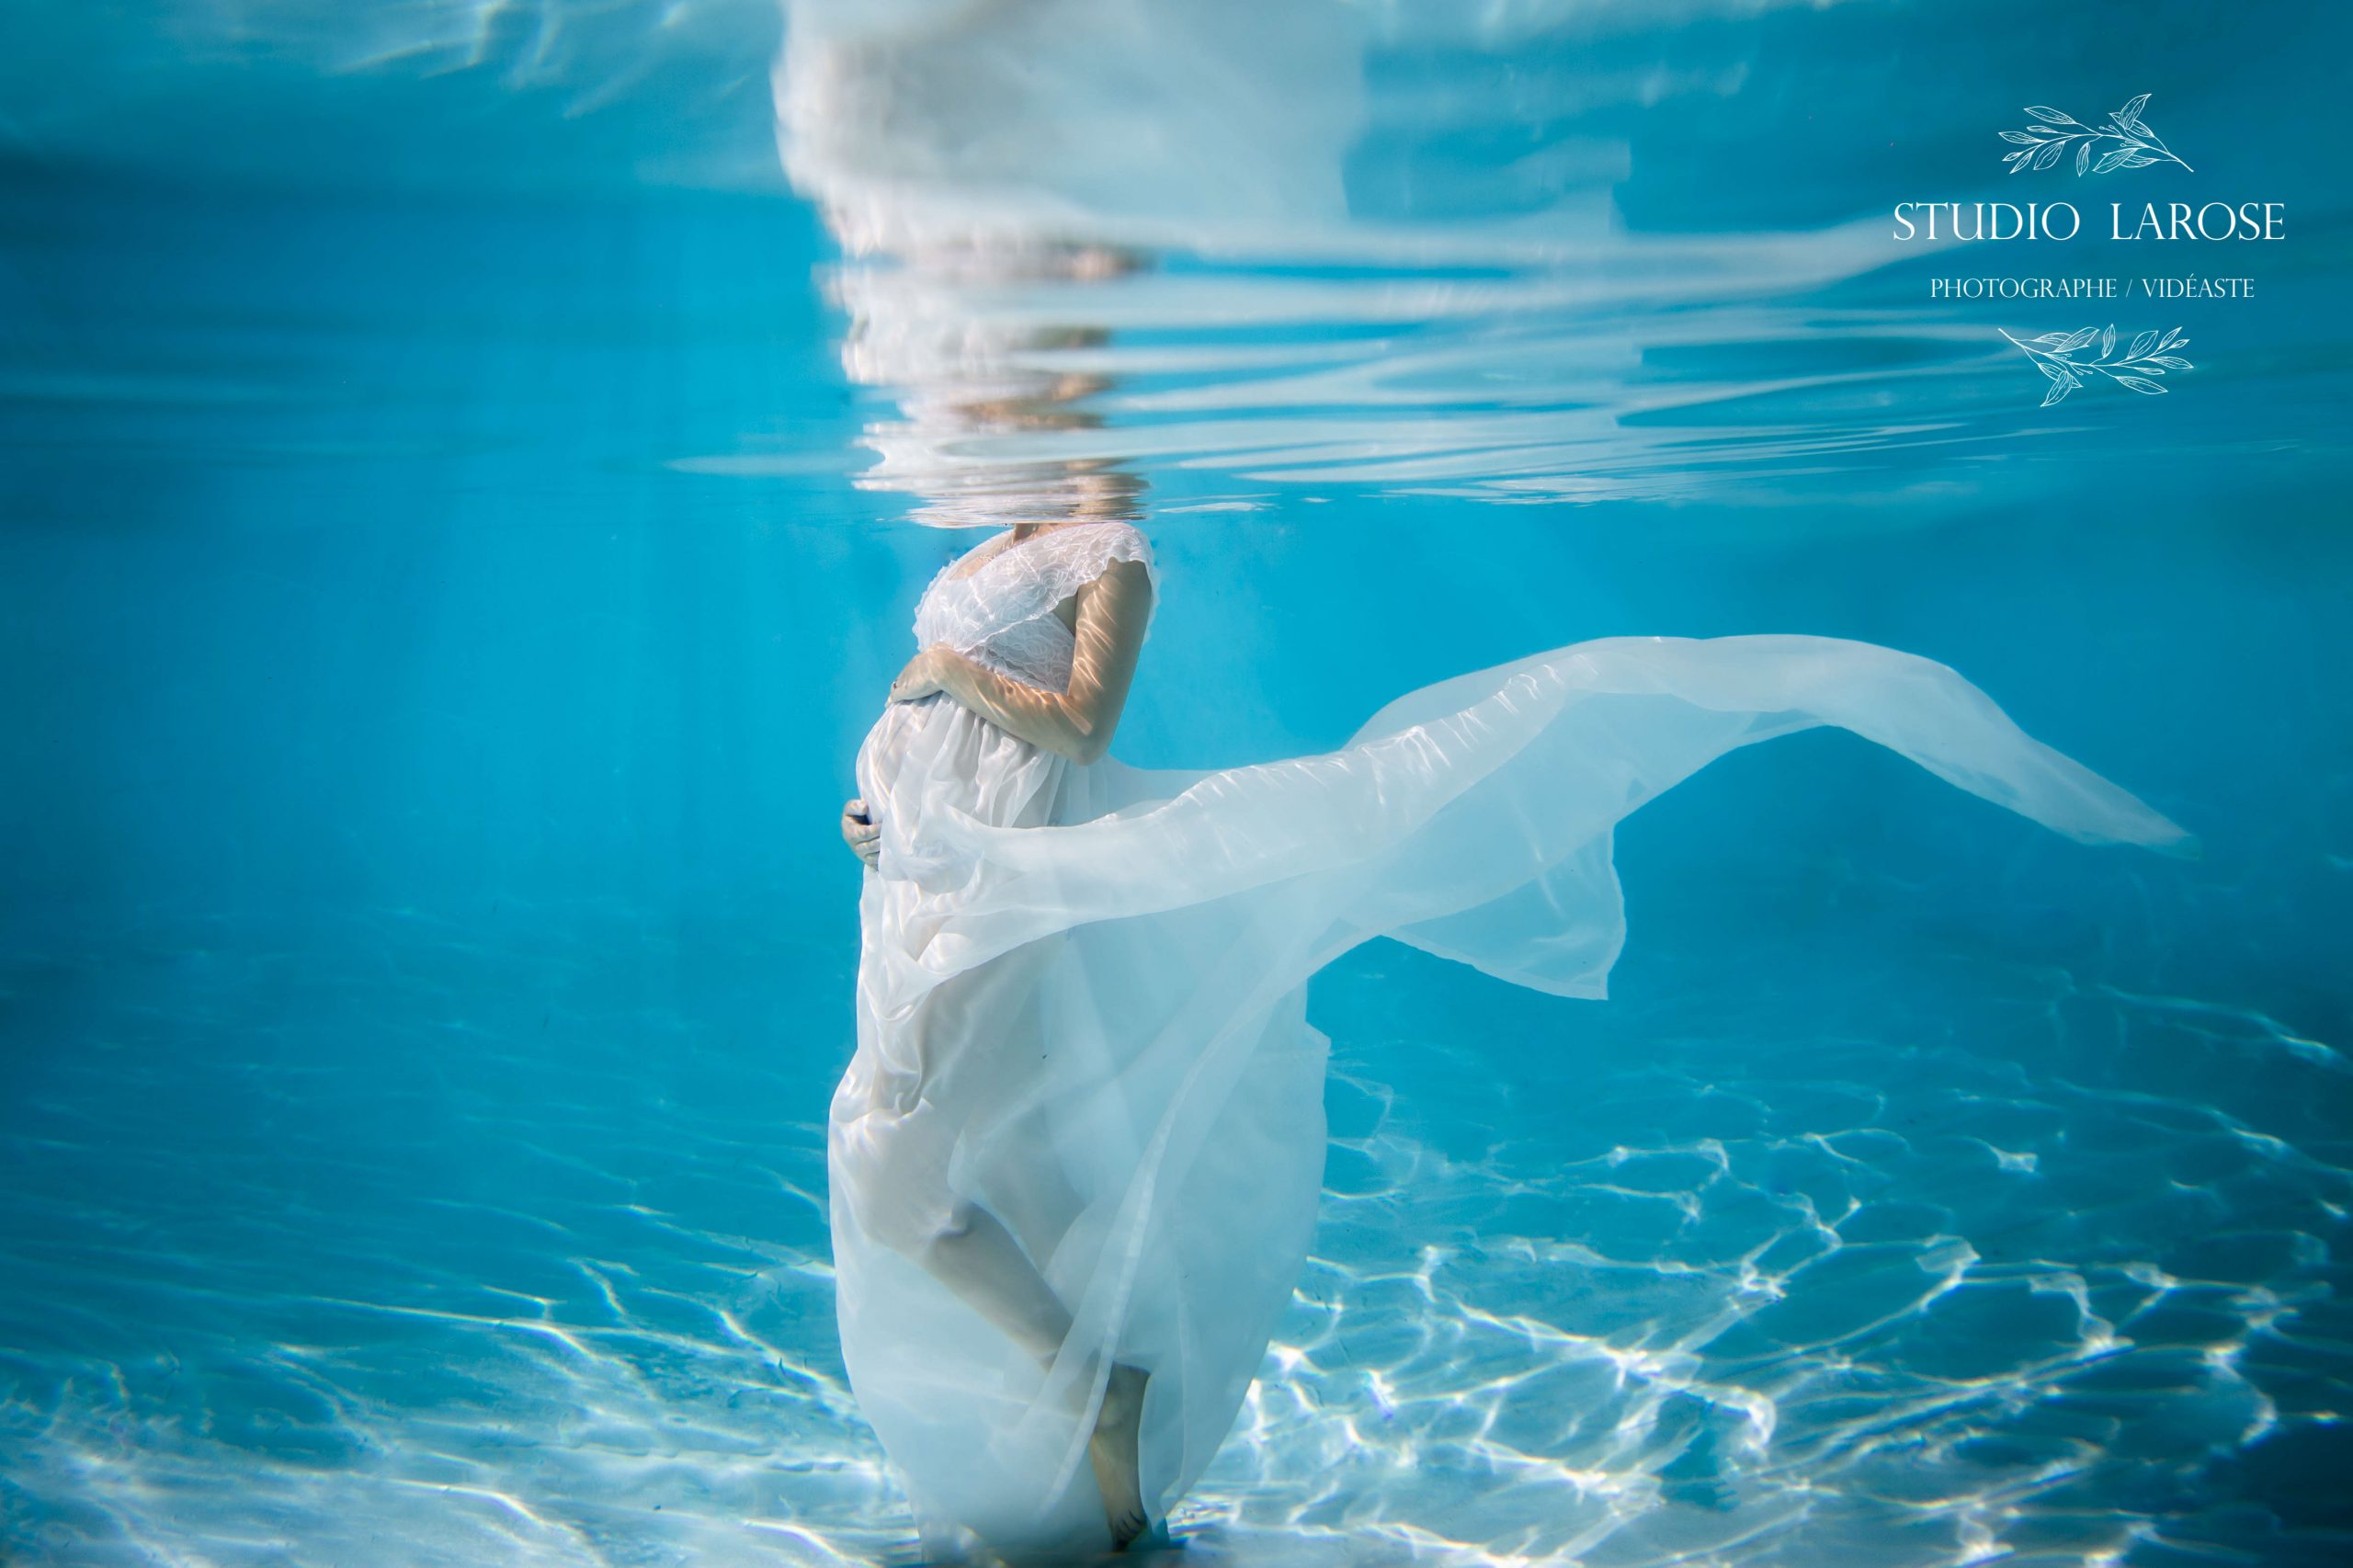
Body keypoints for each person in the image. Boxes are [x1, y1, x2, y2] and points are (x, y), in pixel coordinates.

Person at [829, 517, 2189, 1560]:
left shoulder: (1110, 543)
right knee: (990, 1157)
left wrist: (941, 675)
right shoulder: (986, 503)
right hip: (927, 878)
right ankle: (1096, 1395)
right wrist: (888, 805)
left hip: (1005, 883)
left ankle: (1103, 1388)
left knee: (897, 1159)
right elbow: (967, 728)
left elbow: (1078, 727)